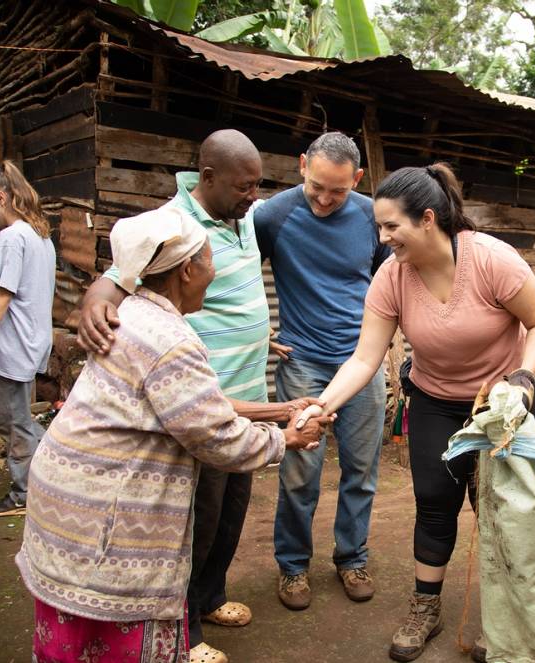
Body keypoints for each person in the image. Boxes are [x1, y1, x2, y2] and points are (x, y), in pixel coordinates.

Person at [17, 206, 332, 663]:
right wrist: (288, 438)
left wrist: (281, 408)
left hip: (68, 505)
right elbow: (217, 437)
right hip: (104, 521)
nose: (214, 272)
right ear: (187, 270)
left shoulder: (132, 312)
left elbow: (189, 407)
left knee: (72, 642)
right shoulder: (171, 341)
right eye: (208, 261)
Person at [293, 163, 535, 662]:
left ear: (428, 219)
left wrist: (524, 376)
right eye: (379, 227)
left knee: (500, 510)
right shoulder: (392, 276)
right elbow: (365, 357)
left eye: (392, 226)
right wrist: (322, 406)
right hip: (435, 398)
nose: (383, 237)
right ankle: (425, 607)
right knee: (434, 500)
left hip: (502, 402)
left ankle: (510, 619)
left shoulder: (492, 260)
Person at [77, 129, 311, 663]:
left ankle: (211, 598)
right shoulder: (173, 225)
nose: (254, 195)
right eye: (244, 185)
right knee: (195, 524)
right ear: (207, 178)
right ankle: (184, 634)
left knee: (230, 514)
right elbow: (119, 274)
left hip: (248, 392)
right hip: (198, 405)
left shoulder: (241, 215)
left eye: (257, 185)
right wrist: (96, 296)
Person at [253, 131, 390, 610]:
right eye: (317, 186)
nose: (326, 199)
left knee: (361, 468)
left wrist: (387, 341)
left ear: (357, 179)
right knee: (299, 471)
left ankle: (352, 558)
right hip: (303, 365)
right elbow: (236, 272)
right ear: (301, 165)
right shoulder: (271, 215)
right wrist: (259, 332)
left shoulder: (374, 216)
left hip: (363, 364)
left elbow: (390, 280)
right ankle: (293, 568)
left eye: (339, 190)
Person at [0, 161, 56, 518]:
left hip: (16, 344)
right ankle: (51, 456)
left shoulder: (12, 236)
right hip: (29, 341)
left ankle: (25, 494)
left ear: (0, 197)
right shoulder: (39, 234)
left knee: (14, 423)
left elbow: (2, 295)